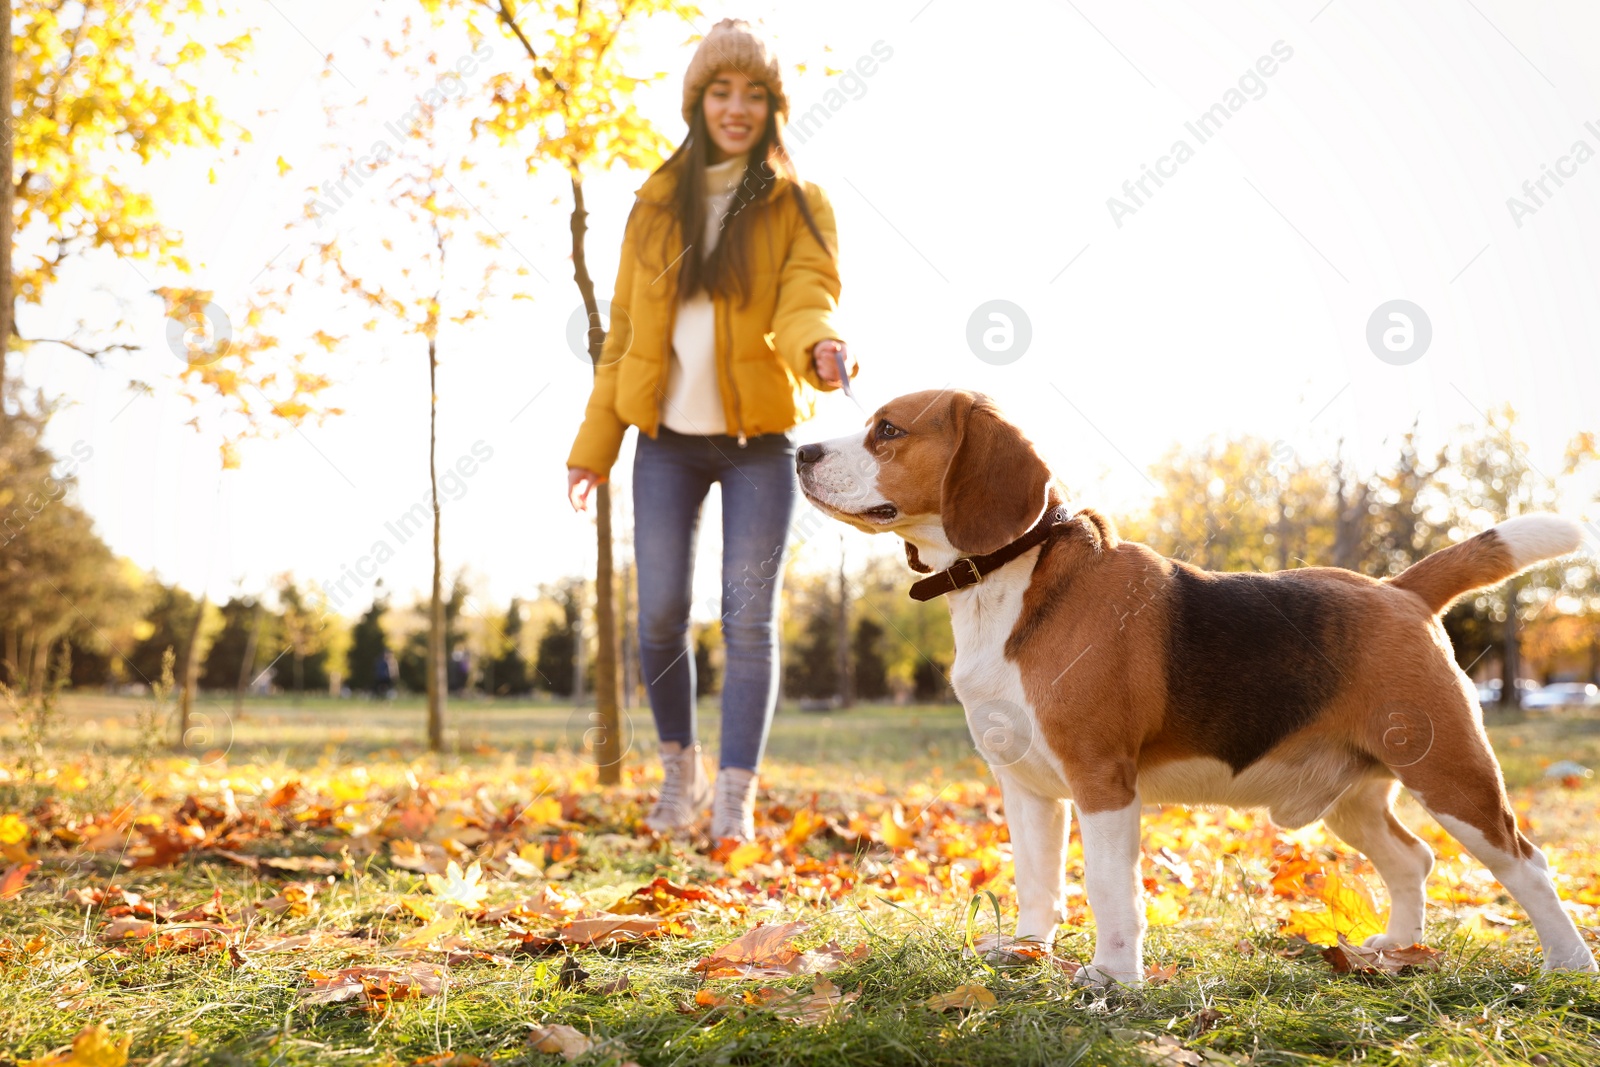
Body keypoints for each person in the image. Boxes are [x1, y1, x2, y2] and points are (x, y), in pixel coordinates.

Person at [566, 18, 854, 841]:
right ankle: (678, 776)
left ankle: (733, 797)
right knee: (658, 613)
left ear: (772, 107)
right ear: (697, 100)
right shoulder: (655, 206)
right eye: (722, 91)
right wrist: (595, 447)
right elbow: (622, 337)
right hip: (664, 442)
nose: (737, 107)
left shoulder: (799, 202)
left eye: (754, 94)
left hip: (759, 441)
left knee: (747, 617)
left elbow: (809, 294)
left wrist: (820, 346)